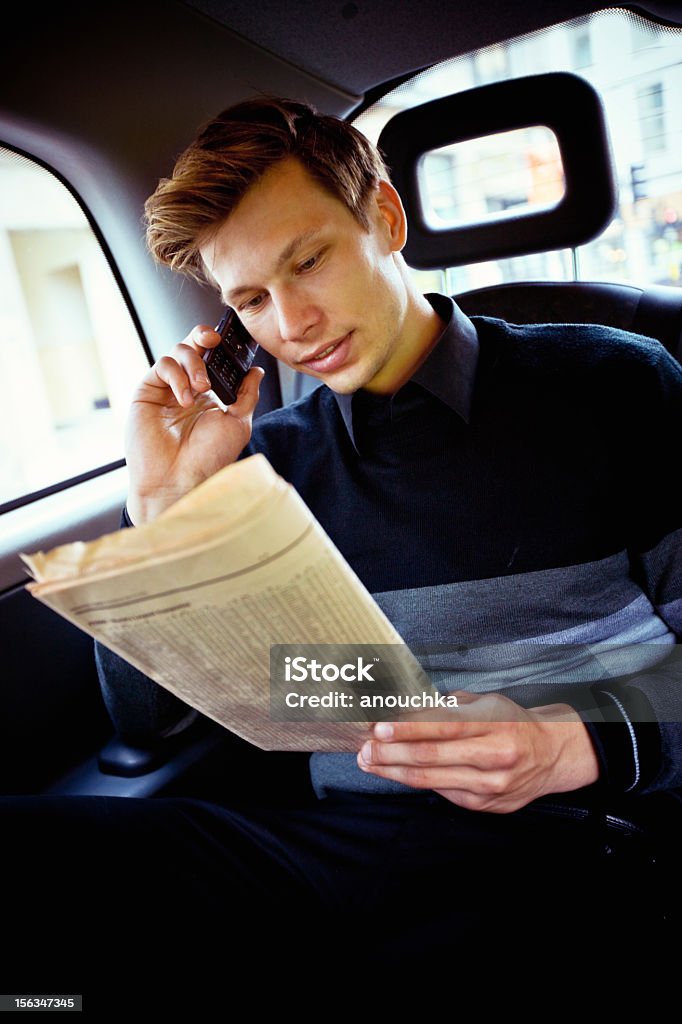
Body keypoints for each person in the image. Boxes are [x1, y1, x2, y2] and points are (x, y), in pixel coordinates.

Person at [3, 96, 681, 999]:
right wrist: (165, 507)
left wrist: (575, 745)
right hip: (344, 851)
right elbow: (149, 725)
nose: (291, 323)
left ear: (386, 219)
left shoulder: (615, 384)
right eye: (250, 299)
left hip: (588, 833)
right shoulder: (266, 460)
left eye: (309, 261)